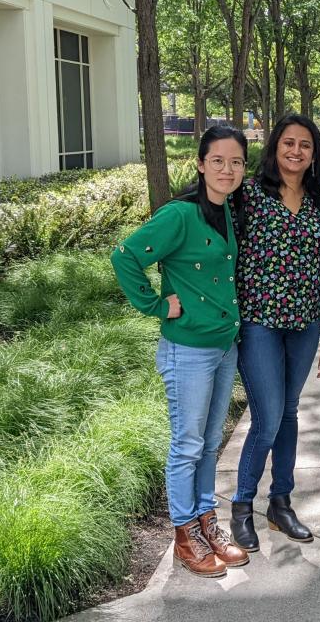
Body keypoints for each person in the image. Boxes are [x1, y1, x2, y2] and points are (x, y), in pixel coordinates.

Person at [110, 126, 251, 577]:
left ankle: (208, 520)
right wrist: (155, 304)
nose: (227, 170)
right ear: (200, 163)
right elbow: (125, 256)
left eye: (236, 162)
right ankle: (184, 531)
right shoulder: (180, 214)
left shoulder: (225, 211)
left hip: (223, 346)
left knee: (210, 443)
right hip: (187, 349)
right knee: (187, 445)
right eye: (218, 161)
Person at [229, 114, 320, 551]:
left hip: (305, 322)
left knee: (289, 411)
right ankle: (240, 506)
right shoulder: (249, 196)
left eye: (305, 145)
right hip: (259, 323)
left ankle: (281, 501)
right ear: (274, 148)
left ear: (315, 154)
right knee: (268, 415)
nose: (296, 151)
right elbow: (224, 254)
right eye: (288, 143)